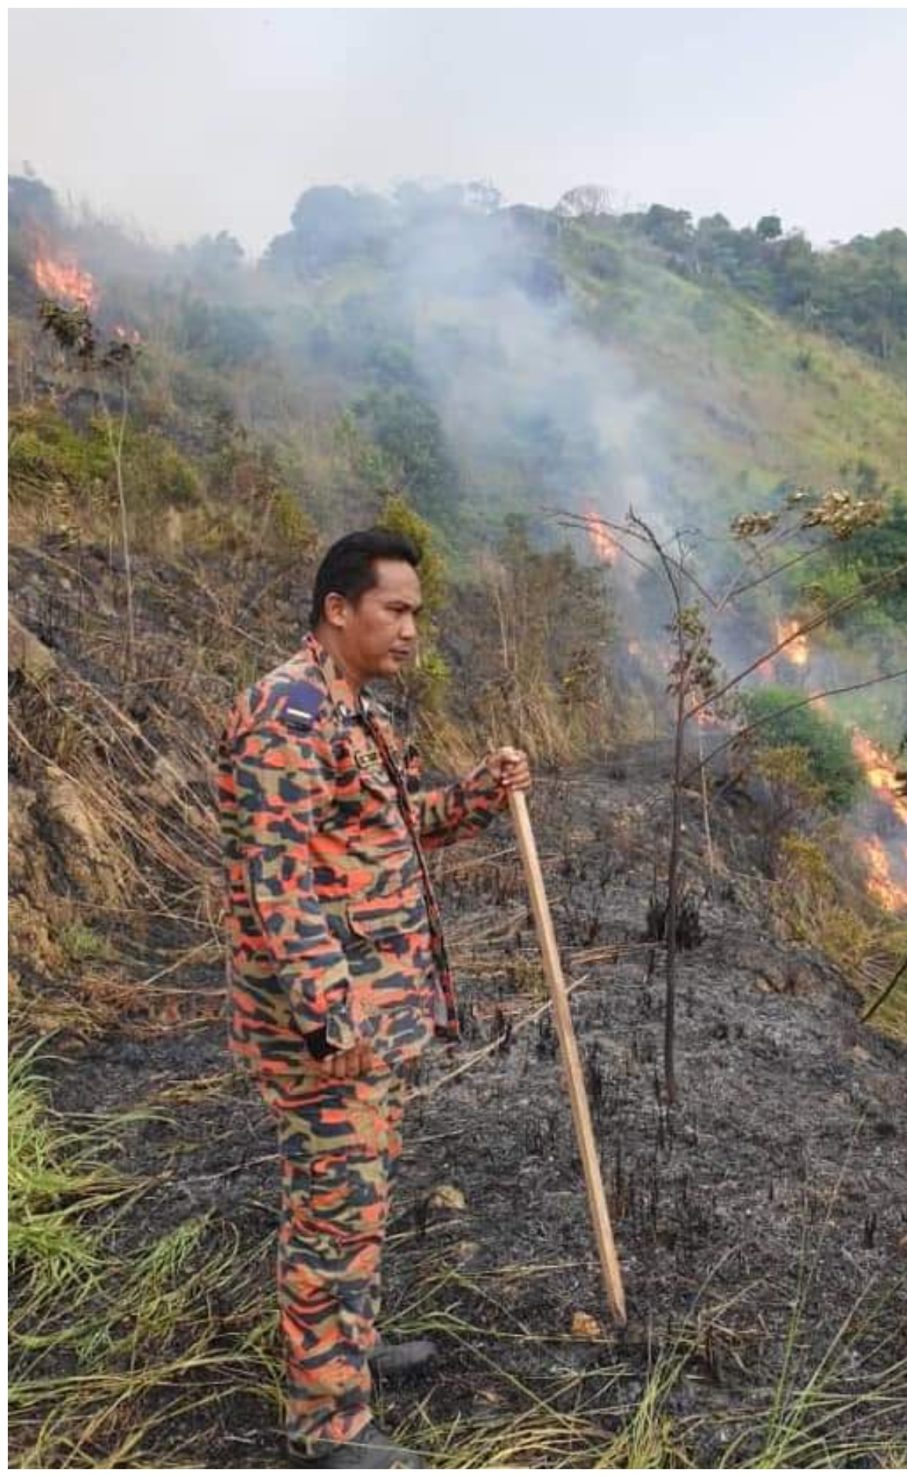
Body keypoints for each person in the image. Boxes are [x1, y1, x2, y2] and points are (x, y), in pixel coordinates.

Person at [218, 528, 530, 1467]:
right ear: (338, 609)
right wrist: (331, 1017)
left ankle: (345, 1352)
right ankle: (327, 1426)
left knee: (360, 1197)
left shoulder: (361, 713)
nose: (410, 630)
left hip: (377, 1011)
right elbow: (275, 881)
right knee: (331, 1212)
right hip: (329, 1025)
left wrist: (479, 793)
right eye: (395, 610)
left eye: (417, 614)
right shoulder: (286, 713)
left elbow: (395, 830)